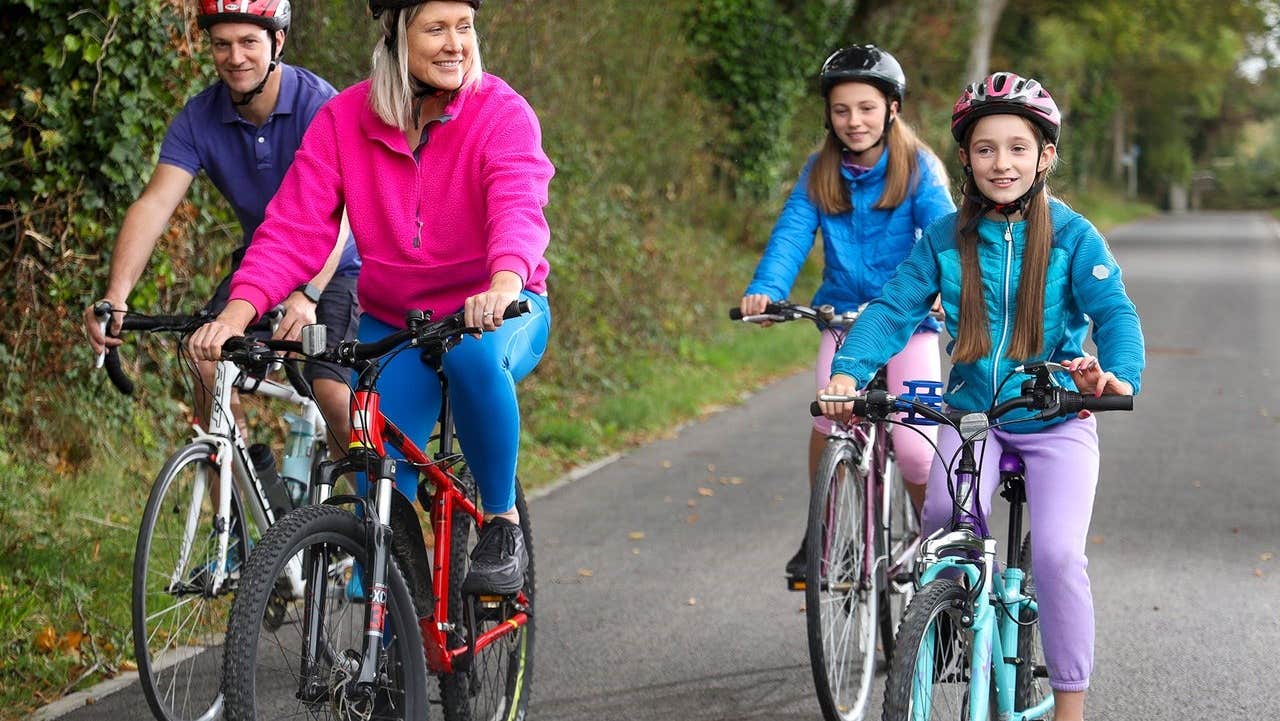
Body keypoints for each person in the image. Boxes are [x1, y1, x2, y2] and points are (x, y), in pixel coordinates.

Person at [188, 0, 553, 596]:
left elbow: (517, 202)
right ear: (396, 36)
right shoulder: (342, 120)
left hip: (500, 307)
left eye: (464, 27)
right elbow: (293, 229)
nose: (456, 44)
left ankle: (501, 522)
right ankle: (388, 661)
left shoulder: (500, 112)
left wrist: (504, 281)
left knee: (474, 357)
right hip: (398, 321)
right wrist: (239, 309)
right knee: (379, 523)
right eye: (436, 29)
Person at [818, 71, 1146, 721]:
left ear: (1045, 156)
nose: (1003, 162)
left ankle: (1070, 707)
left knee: (1055, 554)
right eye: (987, 148)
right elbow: (892, 308)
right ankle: (949, 630)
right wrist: (850, 372)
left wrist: (1119, 374)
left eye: (1019, 147)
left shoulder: (1074, 236)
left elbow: (1114, 311)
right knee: (943, 520)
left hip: (1055, 419)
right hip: (972, 419)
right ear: (965, 157)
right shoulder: (944, 237)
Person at [82, 0, 360, 457]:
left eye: (249, 41)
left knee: (329, 391)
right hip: (262, 264)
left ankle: (361, 518)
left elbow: (349, 211)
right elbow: (154, 205)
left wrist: (308, 294)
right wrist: (115, 295)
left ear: (278, 41)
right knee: (207, 360)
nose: (235, 57)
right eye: (221, 44)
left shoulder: (320, 105)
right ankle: (225, 520)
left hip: (335, 266)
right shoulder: (200, 117)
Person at [739, 44, 954, 581]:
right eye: (841, 110)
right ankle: (826, 531)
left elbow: (946, 232)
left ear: (892, 108)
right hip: (841, 322)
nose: (853, 121)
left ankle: (940, 555)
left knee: (913, 448)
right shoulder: (821, 170)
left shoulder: (918, 167)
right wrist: (766, 288)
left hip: (910, 325)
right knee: (828, 418)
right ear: (828, 116)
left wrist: (948, 287)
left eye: (865, 107)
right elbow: (791, 234)